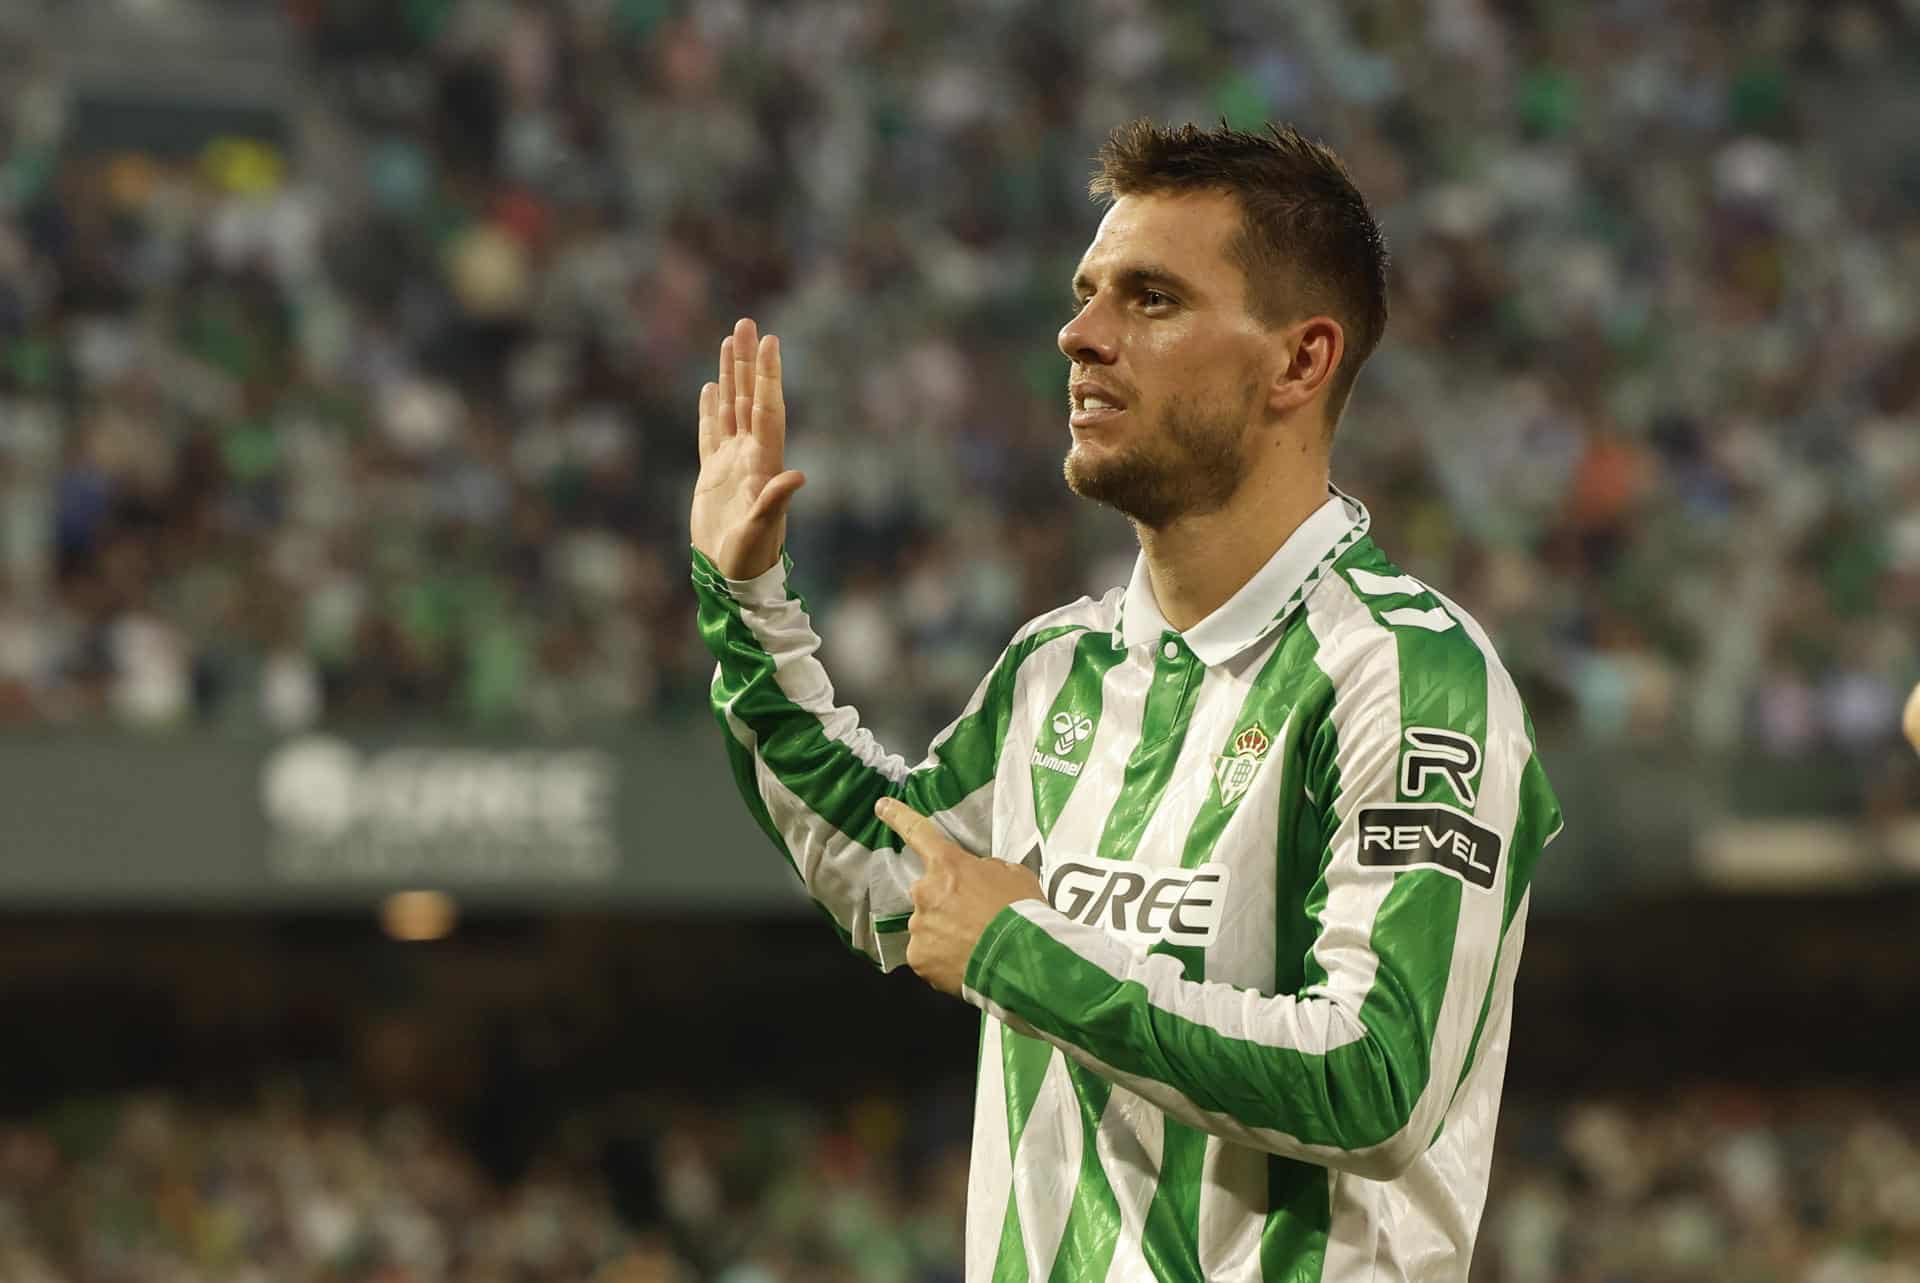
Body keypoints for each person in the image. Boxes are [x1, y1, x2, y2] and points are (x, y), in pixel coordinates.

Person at [689, 119, 1563, 1283]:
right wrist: (746, 602)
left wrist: (1021, 949)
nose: (1079, 335)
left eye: (1150, 300)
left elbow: (1375, 1075)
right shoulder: (1060, 665)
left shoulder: (1406, 676)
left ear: (1300, 363)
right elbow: (893, 874)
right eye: (1088, 294)